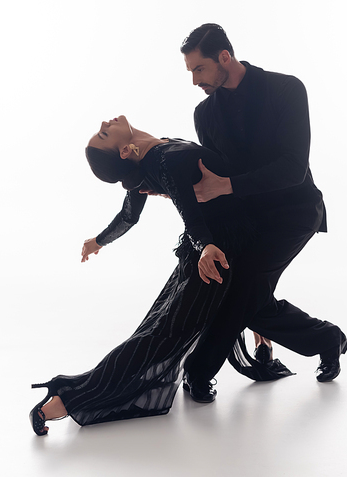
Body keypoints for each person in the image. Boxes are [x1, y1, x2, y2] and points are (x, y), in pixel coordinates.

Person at [29, 115, 291, 436]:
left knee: (226, 305)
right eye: (104, 133)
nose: (104, 122)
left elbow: (129, 216)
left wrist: (98, 241)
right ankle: (68, 399)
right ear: (124, 151)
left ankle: (261, 343)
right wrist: (206, 245)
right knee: (164, 332)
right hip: (216, 249)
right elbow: (188, 209)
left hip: (220, 244)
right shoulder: (164, 160)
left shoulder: (150, 158)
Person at [179, 23, 347, 395]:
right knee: (246, 296)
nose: (194, 80)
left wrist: (225, 185)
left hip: (295, 211)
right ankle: (327, 339)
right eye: (190, 71)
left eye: (199, 69)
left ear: (225, 57)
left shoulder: (286, 89)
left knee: (242, 288)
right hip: (248, 219)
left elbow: (293, 168)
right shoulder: (204, 114)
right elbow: (214, 168)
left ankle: (199, 371)